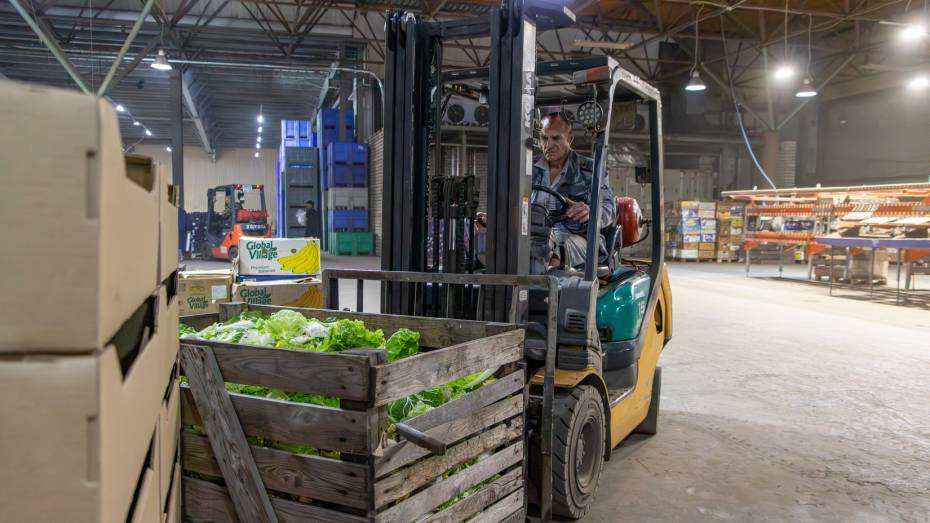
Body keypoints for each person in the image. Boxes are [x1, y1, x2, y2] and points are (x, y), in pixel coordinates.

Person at [531, 112, 616, 268]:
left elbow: (609, 207)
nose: (548, 145)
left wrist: (591, 210)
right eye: (544, 138)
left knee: (556, 248)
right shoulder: (527, 168)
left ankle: (545, 281)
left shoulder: (591, 170)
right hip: (535, 235)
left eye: (556, 138)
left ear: (570, 139)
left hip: (578, 237)